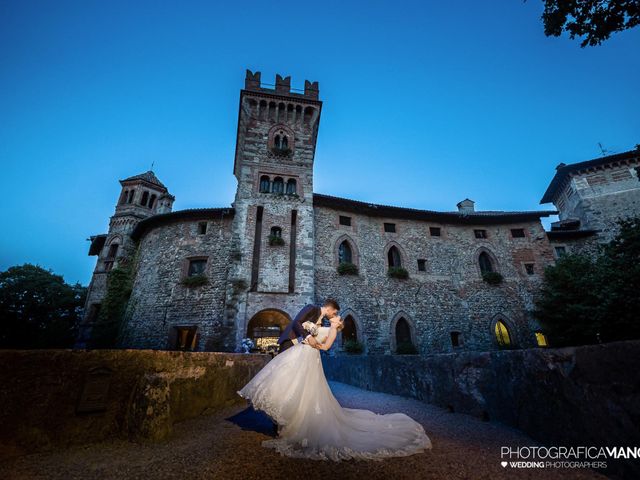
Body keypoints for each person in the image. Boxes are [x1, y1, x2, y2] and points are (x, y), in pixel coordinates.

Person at [237, 307, 432, 461]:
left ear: (339, 325)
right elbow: (304, 326)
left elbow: (327, 346)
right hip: (303, 354)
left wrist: (315, 342)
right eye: (336, 315)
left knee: (304, 389)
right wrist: (310, 332)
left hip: (309, 354)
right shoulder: (322, 322)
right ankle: (286, 418)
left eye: (338, 318)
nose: (336, 317)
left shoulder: (332, 330)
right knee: (293, 385)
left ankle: (292, 422)